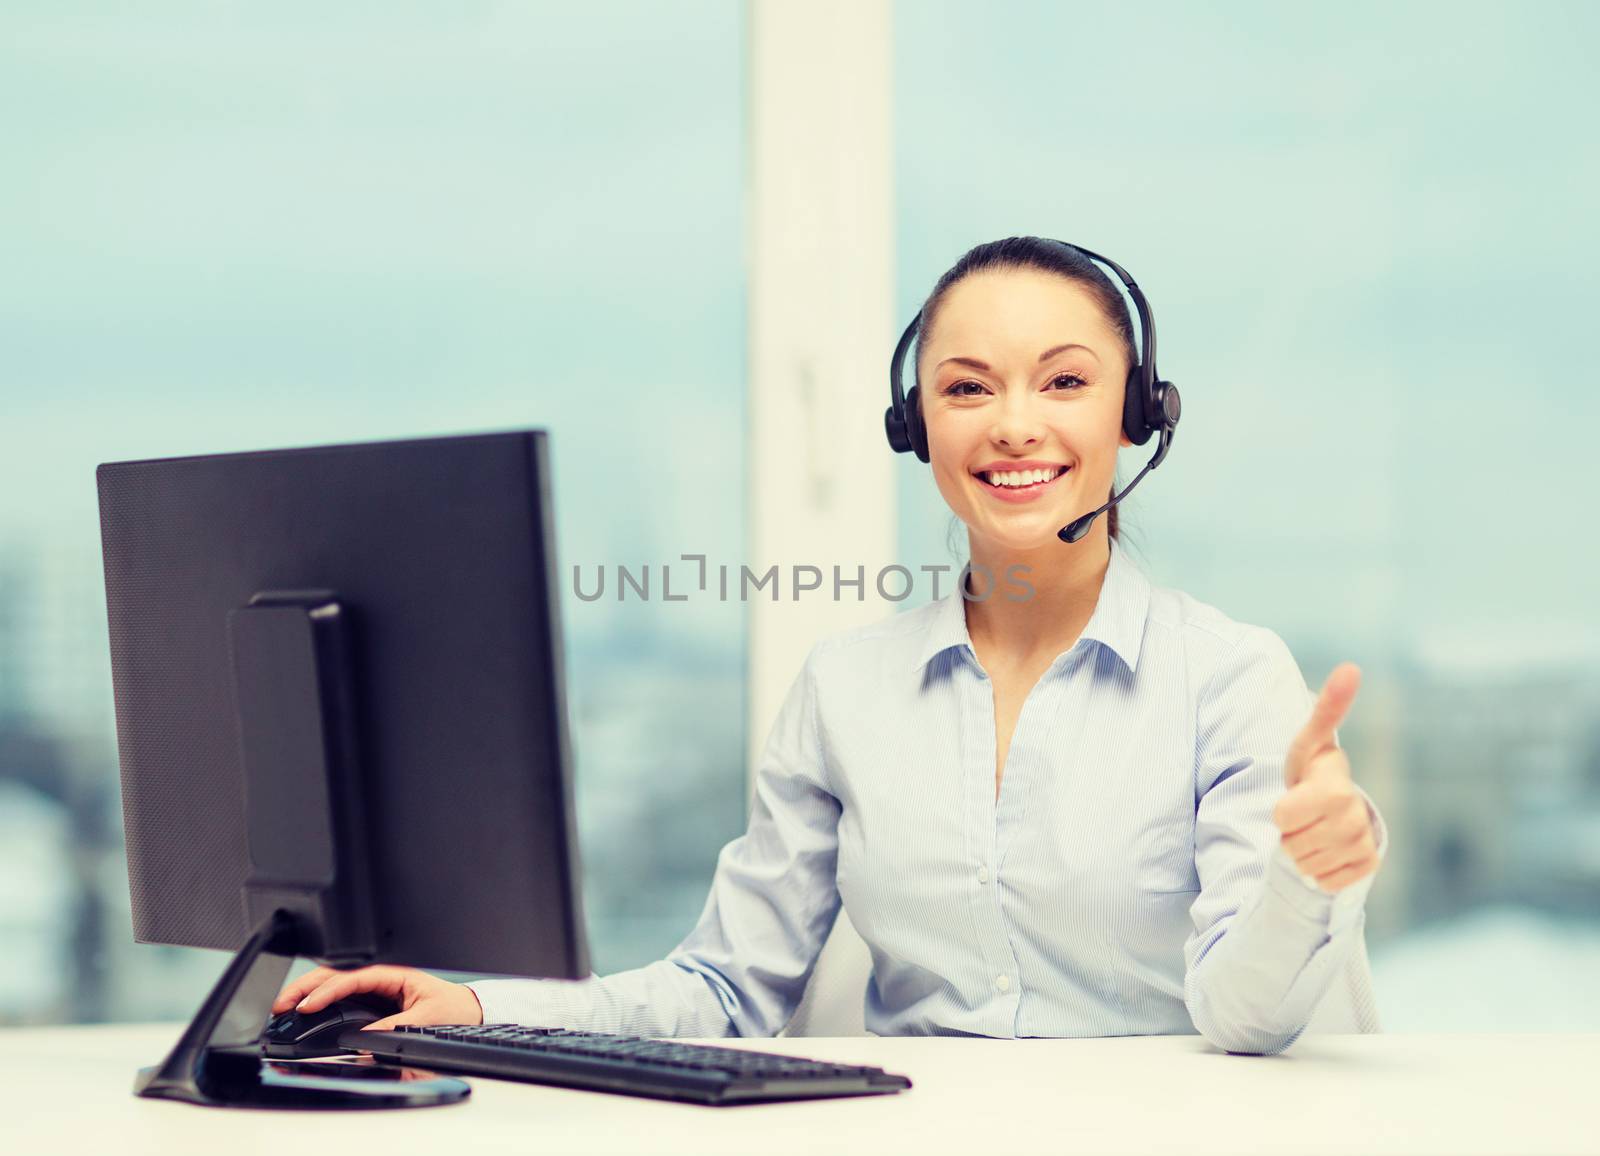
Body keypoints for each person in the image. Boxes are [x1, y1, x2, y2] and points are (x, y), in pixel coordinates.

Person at [274, 236, 1388, 1055]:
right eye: (965, 388)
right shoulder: (846, 688)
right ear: (918, 429)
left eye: (1064, 381)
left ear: (1135, 413)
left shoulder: (1229, 678)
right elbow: (722, 987)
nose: (1012, 423)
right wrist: (475, 1004)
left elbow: (1243, 1018)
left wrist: (1305, 875)